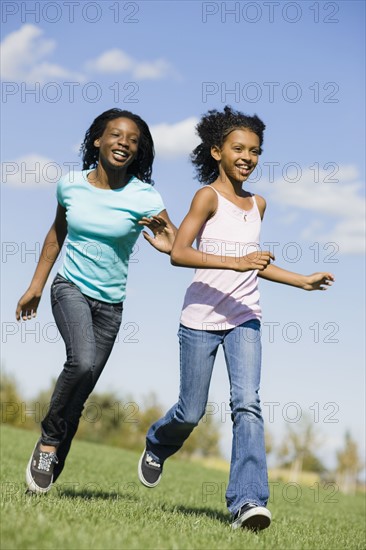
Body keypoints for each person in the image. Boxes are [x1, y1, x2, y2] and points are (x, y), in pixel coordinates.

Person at [138, 106, 335, 531]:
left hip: (245, 317)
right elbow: (180, 253)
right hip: (200, 318)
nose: (248, 156)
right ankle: (157, 442)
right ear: (216, 152)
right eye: (239, 148)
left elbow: (256, 263)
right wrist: (236, 261)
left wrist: (301, 281)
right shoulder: (206, 197)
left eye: (256, 150)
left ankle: (247, 502)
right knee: (190, 412)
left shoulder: (258, 204)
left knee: (247, 404)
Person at [16, 108, 176, 494]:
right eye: (116, 135)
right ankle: (49, 441)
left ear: (139, 152)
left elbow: (175, 242)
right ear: (97, 141)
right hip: (69, 287)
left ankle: (56, 454)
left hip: (111, 305)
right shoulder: (71, 185)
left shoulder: (144, 196)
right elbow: (57, 235)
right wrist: (36, 285)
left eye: (133, 140)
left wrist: (165, 242)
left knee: (82, 388)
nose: (124, 143)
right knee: (82, 361)